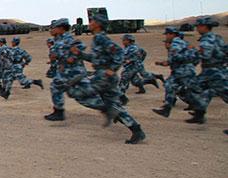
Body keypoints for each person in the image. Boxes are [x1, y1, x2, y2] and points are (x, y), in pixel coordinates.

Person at [84, 14, 145, 144]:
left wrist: (112, 69)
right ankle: (136, 130)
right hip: (102, 74)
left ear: (98, 24)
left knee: (82, 92)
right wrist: (80, 54)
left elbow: (120, 53)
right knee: (114, 105)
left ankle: (108, 108)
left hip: (105, 76)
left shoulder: (102, 38)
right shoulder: (97, 38)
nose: (90, 23)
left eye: (92, 21)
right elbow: (96, 58)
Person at [153, 27, 204, 121]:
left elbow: (175, 57)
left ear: (172, 34)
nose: (166, 37)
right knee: (170, 85)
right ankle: (167, 108)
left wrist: (168, 62)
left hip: (183, 71)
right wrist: (191, 65)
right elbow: (195, 55)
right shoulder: (184, 43)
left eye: (167, 34)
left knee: (194, 89)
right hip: (183, 70)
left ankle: (199, 111)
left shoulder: (176, 43)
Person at [192, 16, 227, 120]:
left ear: (205, 27)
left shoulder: (206, 40)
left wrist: (192, 51)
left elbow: (205, 55)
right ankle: (199, 114)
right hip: (212, 71)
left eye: (198, 26)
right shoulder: (217, 37)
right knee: (198, 89)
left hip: (214, 72)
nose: (197, 29)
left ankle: (199, 114)